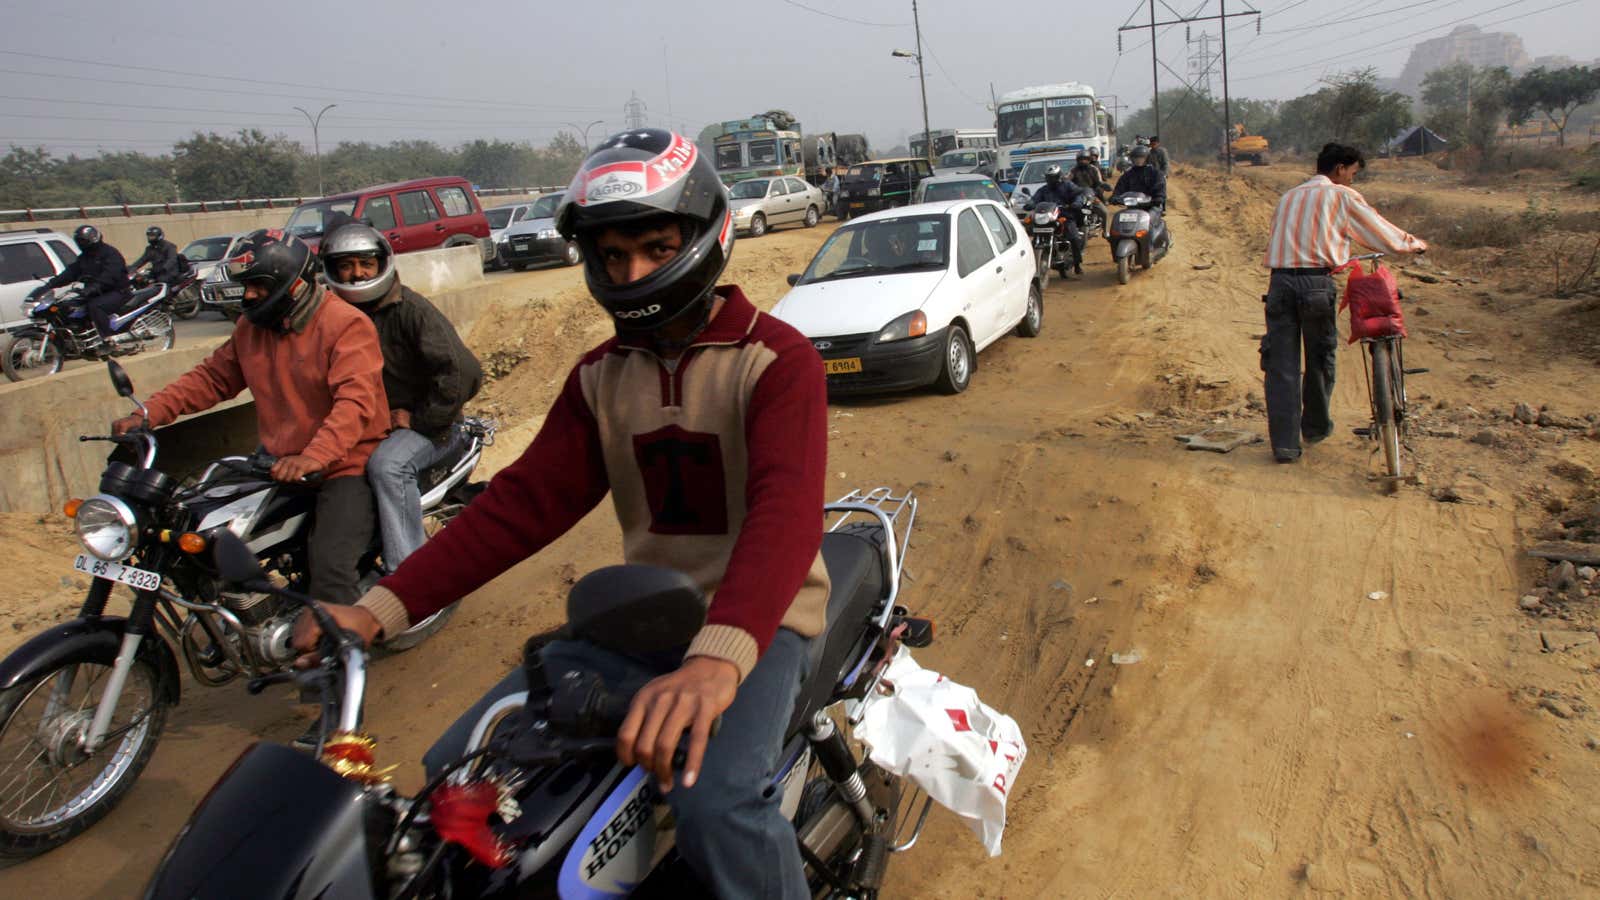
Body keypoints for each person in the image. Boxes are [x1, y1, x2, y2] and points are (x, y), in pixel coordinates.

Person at [293, 129, 830, 900]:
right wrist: (376, 609)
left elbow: (784, 515)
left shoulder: (775, 361)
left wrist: (717, 660)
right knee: (460, 770)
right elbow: (517, 509)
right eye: (613, 257)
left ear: (706, 235)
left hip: (762, 623)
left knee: (716, 805)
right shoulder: (599, 378)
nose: (633, 272)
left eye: (653, 246)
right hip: (645, 617)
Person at [111, 228, 388, 602]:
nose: (250, 294)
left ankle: (339, 652)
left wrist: (313, 455)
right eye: (246, 285)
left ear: (293, 285)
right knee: (199, 531)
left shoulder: (346, 325)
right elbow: (211, 378)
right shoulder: (251, 328)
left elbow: (354, 404)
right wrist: (149, 413)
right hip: (277, 462)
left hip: (344, 466)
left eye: (258, 284)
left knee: (330, 568)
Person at [320, 223, 483, 572]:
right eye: (345, 266)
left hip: (429, 427)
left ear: (382, 264)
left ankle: (408, 576)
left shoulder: (410, 310)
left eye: (366, 263)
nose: (356, 274)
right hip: (370, 425)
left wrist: (421, 418)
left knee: (388, 467)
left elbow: (464, 372)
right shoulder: (333, 317)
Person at [1260, 142, 1428, 463]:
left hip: (1279, 283)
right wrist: (1413, 245)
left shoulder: (1288, 197)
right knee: (1321, 358)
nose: (1352, 180)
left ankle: (1284, 446)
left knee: (1281, 365)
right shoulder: (1340, 195)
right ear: (1339, 169)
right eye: (1352, 173)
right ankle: (1315, 428)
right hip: (1316, 284)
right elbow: (1377, 231)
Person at [26, 225, 131, 346]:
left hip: (117, 291)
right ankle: (80, 339)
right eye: (79, 241)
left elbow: (111, 275)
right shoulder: (84, 258)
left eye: (83, 241)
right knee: (67, 307)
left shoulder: (110, 253)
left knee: (95, 306)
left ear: (93, 239)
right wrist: (50, 284)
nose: (81, 243)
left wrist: (95, 286)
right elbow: (71, 273)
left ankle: (108, 339)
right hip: (94, 292)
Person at [1032, 164, 1093, 275]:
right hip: (1049, 218)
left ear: (1058, 176)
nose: (1050, 180)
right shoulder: (1043, 190)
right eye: (1048, 177)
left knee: (1074, 237)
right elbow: (1035, 199)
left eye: (1053, 177)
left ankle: (1077, 264)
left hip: (1065, 216)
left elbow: (1078, 194)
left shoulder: (1068, 185)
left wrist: (1076, 203)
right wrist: (1030, 204)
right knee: (1033, 235)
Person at [1069, 151, 1112, 238]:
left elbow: (1099, 181)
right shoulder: (1073, 170)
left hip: (1091, 195)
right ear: (1077, 160)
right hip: (1077, 196)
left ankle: (1106, 232)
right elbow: (1067, 180)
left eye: (1085, 159)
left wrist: (1105, 185)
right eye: (1081, 159)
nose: (1083, 161)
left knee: (1105, 212)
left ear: (1089, 160)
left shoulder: (1094, 169)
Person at [1112, 144, 1167, 209]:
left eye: (1141, 158)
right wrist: (1115, 197)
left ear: (1148, 158)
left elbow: (1160, 187)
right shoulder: (1128, 174)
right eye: (1136, 158)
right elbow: (1120, 187)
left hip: (1151, 206)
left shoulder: (1155, 173)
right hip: (1133, 206)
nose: (1138, 160)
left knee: (1152, 216)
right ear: (1132, 159)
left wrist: (1158, 197)